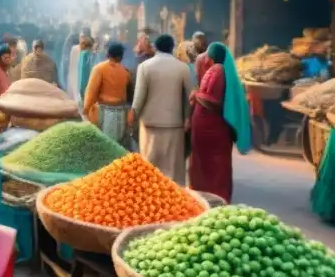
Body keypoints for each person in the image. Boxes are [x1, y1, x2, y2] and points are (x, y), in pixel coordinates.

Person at [131, 35, 196, 184]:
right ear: (172, 47)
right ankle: (174, 201)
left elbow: (139, 97)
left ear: (155, 47)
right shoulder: (183, 68)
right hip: (175, 124)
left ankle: (151, 199)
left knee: (150, 165)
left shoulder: (145, 67)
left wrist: (133, 115)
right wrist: (187, 118)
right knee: (173, 168)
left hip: (150, 124)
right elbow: (191, 97)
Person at [189, 43, 245, 202]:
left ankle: (217, 195)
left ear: (211, 56)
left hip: (212, 126)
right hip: (205, 127)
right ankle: (204, 193)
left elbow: (214, 101)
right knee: (205, 162)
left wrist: (196, 95)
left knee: (215, 163)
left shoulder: (218, 71)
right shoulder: (214, 70)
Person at [83, 43, 132, 145]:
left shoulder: (99, 68)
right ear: (121, 57)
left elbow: (91, 91)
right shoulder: (125, 72)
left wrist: (86, 109)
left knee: (103, 144)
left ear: (107, 54)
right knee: (117, 144)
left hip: (103, 112)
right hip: (121, 113)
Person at [77, 36, 96, 102]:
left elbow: (81, 73)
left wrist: (80, 88)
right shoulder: (91, 54)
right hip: (90, 85)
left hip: (84, 86)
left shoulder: (83, 54)